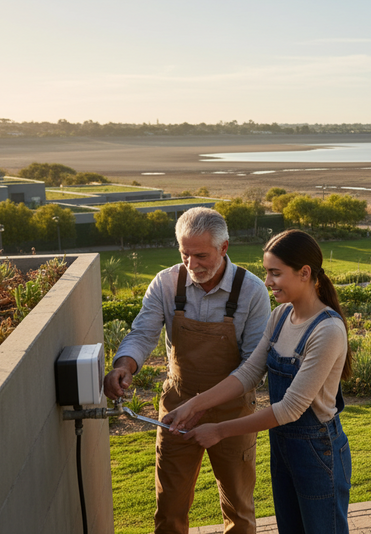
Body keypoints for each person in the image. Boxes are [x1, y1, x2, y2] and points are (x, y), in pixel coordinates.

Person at [163, 229, 352, 533]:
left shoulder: (327, 330)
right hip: (283, 447)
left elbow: (290, 409)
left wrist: (219, 431)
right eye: (266, 272)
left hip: (319, 451)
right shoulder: (280, 317)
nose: (267, 281)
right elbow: (249, 372)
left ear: (304, 273)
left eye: (275, 273)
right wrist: (194, 405)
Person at [104, 207, 271, 534]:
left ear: (224, 248)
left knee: (239, 508)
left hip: (233, 413)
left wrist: (204, 406)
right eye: (185, 254)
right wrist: (124, 365)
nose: (192, 265)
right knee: (170, 508)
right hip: (177, 408)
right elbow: (143, 333)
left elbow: (253, 368)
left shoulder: (252, 292)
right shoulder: (166, 283)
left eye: (201, 256)